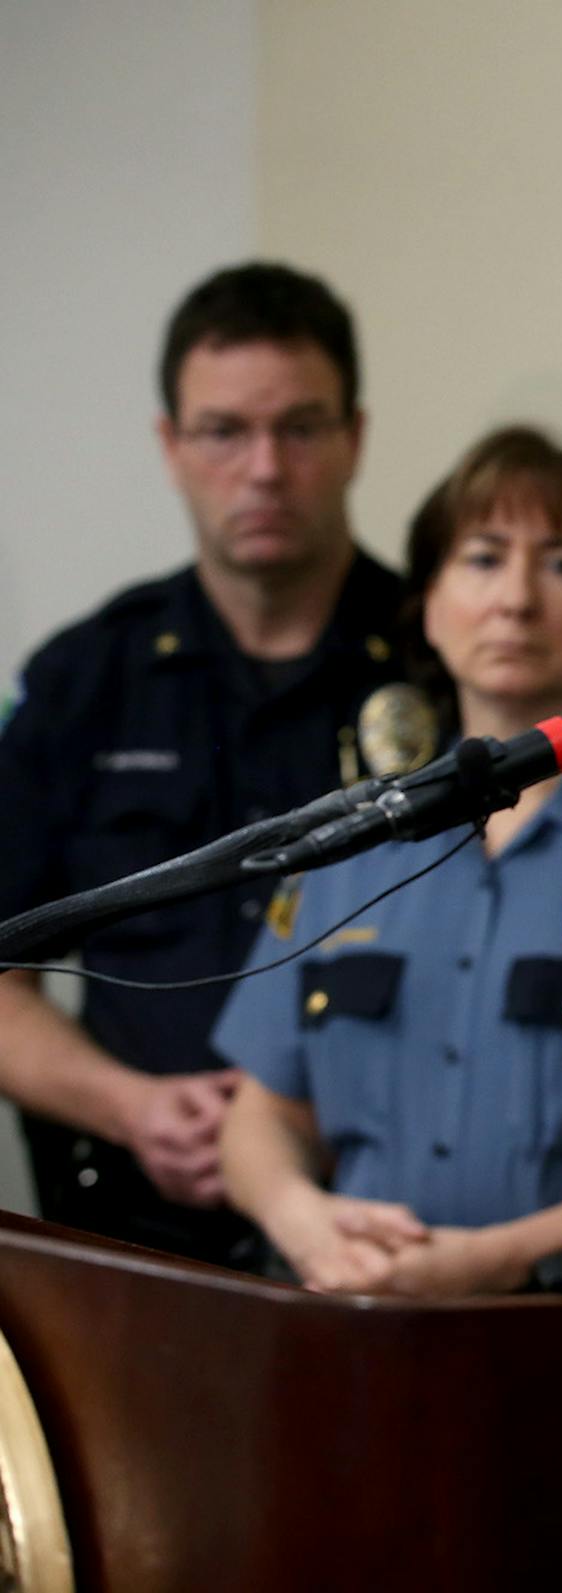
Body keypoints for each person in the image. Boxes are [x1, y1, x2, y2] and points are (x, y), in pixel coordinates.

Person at [212, 426, 562, 1316]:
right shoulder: (349, 841)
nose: (515, 600)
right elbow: (264, 1112)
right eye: (482, 560)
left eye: (561, 565)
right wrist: (303, 1220)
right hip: (349, 1323)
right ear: (429, 603)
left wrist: (506, 1258)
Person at [0, 262, 414, 1267]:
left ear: (355, 436)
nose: (264, 468)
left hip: (384, 1233)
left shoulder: (440, 661)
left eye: (301, 428)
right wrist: (133, 1106)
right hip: (129, 1235)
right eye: (225, 431)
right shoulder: (86, 678)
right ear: (171, 446)